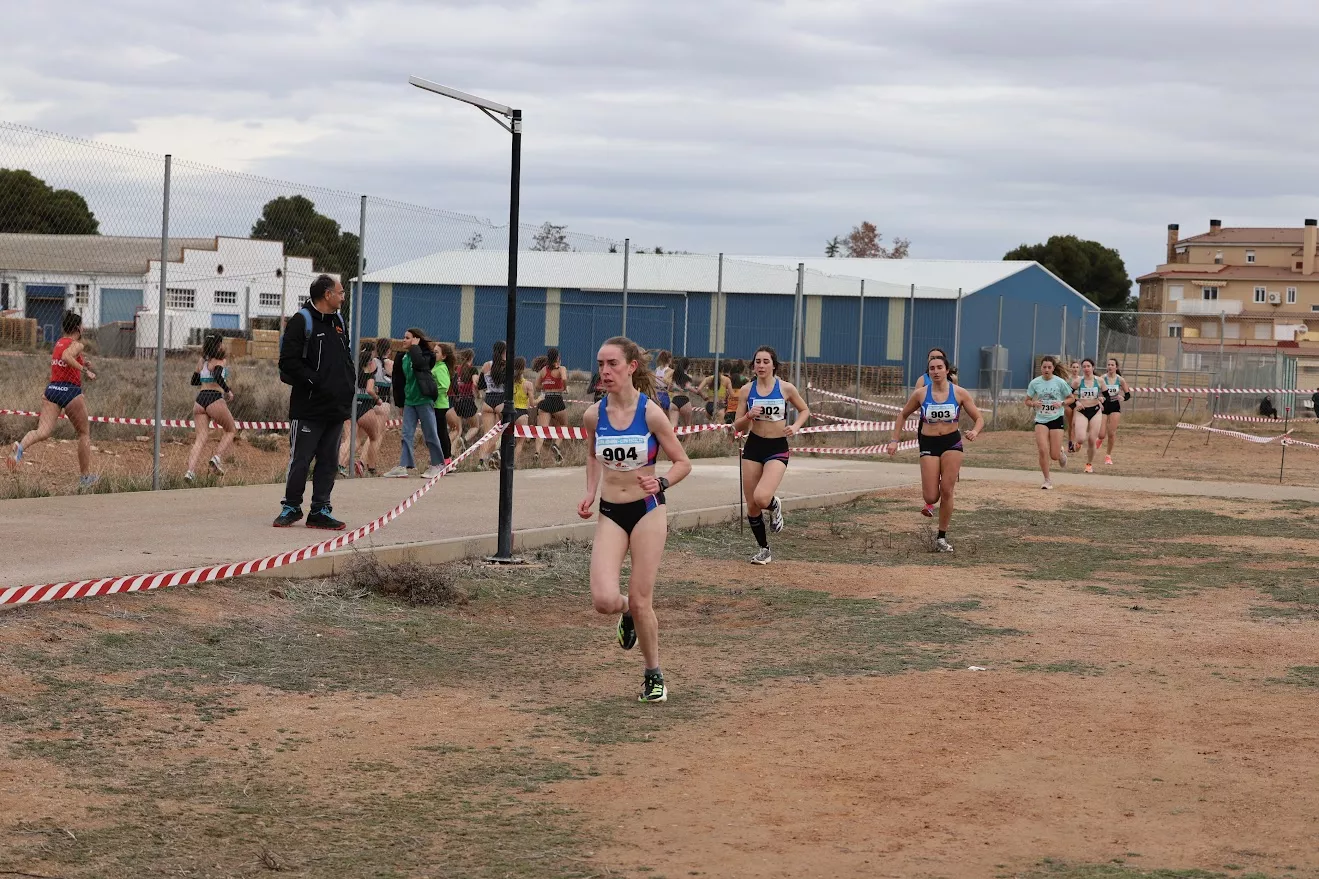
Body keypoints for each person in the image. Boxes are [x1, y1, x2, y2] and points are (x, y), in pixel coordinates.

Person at [577, 336, 692, 703]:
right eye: (600, 364)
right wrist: (591, 491)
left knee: (644, 600)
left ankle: (653, 674)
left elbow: (683, 463)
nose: (605, 371)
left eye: (612, 364)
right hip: (611, 512)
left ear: (631, 367)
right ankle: (624, 612)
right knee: (604, 600)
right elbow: (593, 456)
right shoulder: (593, 415)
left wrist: (660, 481)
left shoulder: (651, 413)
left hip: (647, 509)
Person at [273, 274, 353, 529]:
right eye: (340, 293)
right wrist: (315, 382)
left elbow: (344, 358)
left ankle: (320, 510)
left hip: (335, 407)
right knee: (301, 458)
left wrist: (346, 388)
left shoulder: (339, 321)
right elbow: (288, 363)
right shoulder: (302, 321)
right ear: (327, 295)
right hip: (308, 407)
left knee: (329, 461)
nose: (343, 296)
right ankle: (291, 506)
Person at [887, 351, 984, 552]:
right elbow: (902, 415)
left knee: (947, 490)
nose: (936, 371)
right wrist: (894, 440)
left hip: (952, 443)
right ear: (928, 372)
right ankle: (932, 499)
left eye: (940, 367)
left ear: (947, 370)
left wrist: (974, 431)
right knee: (931, 496)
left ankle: (941, 537)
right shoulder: (921, 394)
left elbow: (979, 418)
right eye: (932, 368)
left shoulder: (959, 392)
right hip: (929, 444)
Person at [733, 346, 809, 565]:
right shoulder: (747, 391)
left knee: (762, 497)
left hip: (777, 447)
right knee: (752, 505)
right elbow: (736, 426)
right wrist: (748, 415)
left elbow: (804, 410)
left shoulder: (786, 388)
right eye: (758, 361)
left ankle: (774, 505)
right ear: (753, 365)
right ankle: (764, 549)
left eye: (766, 361)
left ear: (774, 365)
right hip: (754, 446)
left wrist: (795, 427)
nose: (761, 365)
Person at [6, 311, 99, 489]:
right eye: (83, 325)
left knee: (42, 431)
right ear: (78, 328)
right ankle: (85, 478)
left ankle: (20, 448)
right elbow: (67, 357)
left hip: (52, 390)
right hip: (70, 391)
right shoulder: (77, 344)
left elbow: (63, 358)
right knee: (84, 434)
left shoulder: (58, 343)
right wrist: (84, 370)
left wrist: (81, 361)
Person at [382, 328, 444, 478]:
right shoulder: (402, 357)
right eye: (403, 337)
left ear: (416, 340)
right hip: (410, 401)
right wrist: (401, 402)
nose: (403, 340)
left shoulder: (427, 355)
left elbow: (421, 365)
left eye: (407, 338)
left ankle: (438, 464)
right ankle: (403, 466)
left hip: (424, 399)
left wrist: (416, 348)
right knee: (406, 434)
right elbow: (398, 380)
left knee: (430, 432)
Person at [184, 334, 237, 483]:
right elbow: (218, 376)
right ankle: (216, 457)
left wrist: (203, 374)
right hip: (214, 398)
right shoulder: (221, 360)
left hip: (200, 400)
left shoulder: (202, 361)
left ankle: (190, 472)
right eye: (222, 343)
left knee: (200, 439)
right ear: (218, 345)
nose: (223, 346)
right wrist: (228, 390)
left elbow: (194, 381)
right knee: (231, 430)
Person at [1026, 355, 1075, 490]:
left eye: (1049, 367)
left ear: (1053, 368)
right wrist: (1033, 403)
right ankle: (1047, 480)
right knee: (1042, 450)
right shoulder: (1035, 383)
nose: (1046, 369)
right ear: (1040, 368)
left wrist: (1062, 402)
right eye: (1044, 367)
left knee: (1053, 455)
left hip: (1056, 419)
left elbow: (1071, 398)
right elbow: (1027, 400)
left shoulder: (1060, 382)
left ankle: (1060, 453)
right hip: (1041, 420)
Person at [340, 346, 383, 476]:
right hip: (365, 408)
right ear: (370, 363)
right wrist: (377, 399)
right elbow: (370, 390)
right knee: (375, 437)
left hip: (350, 407)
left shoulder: (352, 373)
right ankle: (372, 467)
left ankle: (339, 465)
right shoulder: (370, 375)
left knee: (351, 439)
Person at [534, 346, 568, 464]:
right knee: (563, 425)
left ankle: (537, 453)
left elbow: (537, 386)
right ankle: (556, 445)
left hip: (546, 400)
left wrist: (547, 385)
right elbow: (563, 378)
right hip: (557, 400)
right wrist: (564, 387)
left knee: (542, 430)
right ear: (558, 357)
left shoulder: (544, 370)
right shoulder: (561, 368)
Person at [1071, 358, 1104, 473]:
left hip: (1095, 411)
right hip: (1082, 411)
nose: (1086, 369)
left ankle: (1089, 464)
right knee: (1080, 438)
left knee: (1091, 440)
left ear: (1093, 368)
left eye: (1088, 366)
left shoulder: (1099, 381)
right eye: (1084, 366)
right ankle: (1077, 444)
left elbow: (1107, 396)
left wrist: (1101, 398)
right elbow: (1068, 395)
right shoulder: (1078, 382)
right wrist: (1077, 402)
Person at [478, 340, 507, 469]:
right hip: (501, 399)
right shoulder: (507, 365)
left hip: (488, 400)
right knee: (501, 431)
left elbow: (480, 385)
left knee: (486, 433)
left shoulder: (486, 365)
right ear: (505, 351)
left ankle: (481, 461)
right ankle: (493, 453)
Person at [1096, 357, 1130, 465]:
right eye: (1108, 365)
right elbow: (1095, 391)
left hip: (1115, 405)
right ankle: (1100, 439)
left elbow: (1128, 394)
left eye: (1112, 365)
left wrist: (1123, 398)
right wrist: (1099, 399)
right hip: (1104, 405)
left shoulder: (1120, 379)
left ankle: (1108, 456)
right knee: (1101, 434)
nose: (1110, 366)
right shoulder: (1102, 378)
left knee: (1111, 433)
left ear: (1116, 367)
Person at [431, 341, 456, 466]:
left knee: (441, 432)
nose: (433, 354)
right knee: (439, 432)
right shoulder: (435, 366)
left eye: (436, 352)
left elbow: (444, 386)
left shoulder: (440, 368)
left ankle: (446, 459)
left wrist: (431, 392)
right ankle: (443, 458)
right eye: (433, 351)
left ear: (444, 356)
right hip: (436, 404)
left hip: (439, 405)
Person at [509, 355, 535, 463]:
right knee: (520, 442)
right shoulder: (528, 384)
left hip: (510, 411)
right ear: (524, 367)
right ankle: (513, 463)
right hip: (522, 413)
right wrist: (540, 399)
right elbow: (532, 403)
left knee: (507, 439)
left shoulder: (509, 382)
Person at [452, 348, 480, 450]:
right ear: (471, 358)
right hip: (468, 401)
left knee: (458, 429)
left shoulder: (457, 369)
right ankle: (464, 440)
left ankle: (452, 452)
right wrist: (478, 393)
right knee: (475, 426)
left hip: (456, 401)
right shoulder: (472, 369)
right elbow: (475, 383)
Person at [669, 357, 696, 427]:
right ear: (687, 366)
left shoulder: (674, 376)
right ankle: (688, 438)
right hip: (685, 401)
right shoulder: (689, 377)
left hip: (674, 401)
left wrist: (676, 388)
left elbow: (669, 389)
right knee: (688, 426)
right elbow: (687, 388)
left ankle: (673, 437)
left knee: (673, 426)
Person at [373, 337, 394, 420]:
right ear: (388, 350)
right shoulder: (391, 363)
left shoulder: (372, 361)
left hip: (373, 397)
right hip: (385, 397)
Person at [1064, 359, 1080, 452]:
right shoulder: (1067, 380)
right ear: (1071, 368)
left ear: (1079, 369)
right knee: (1070, 424)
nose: (1075, 369)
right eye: (1073, 367)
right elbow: (1065, 392)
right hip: (1070, 403)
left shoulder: (1081, 379)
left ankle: (1074, 443)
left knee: (1075, 424)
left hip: (1078, 403)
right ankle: (1070, 442)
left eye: (1077, 367)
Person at [654, 350, 674, 416]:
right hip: (665, 394)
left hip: (656, 394)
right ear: (669, 359)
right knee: (667, 417)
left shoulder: (657, 369)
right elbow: (670, 386)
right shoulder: (669, 370)